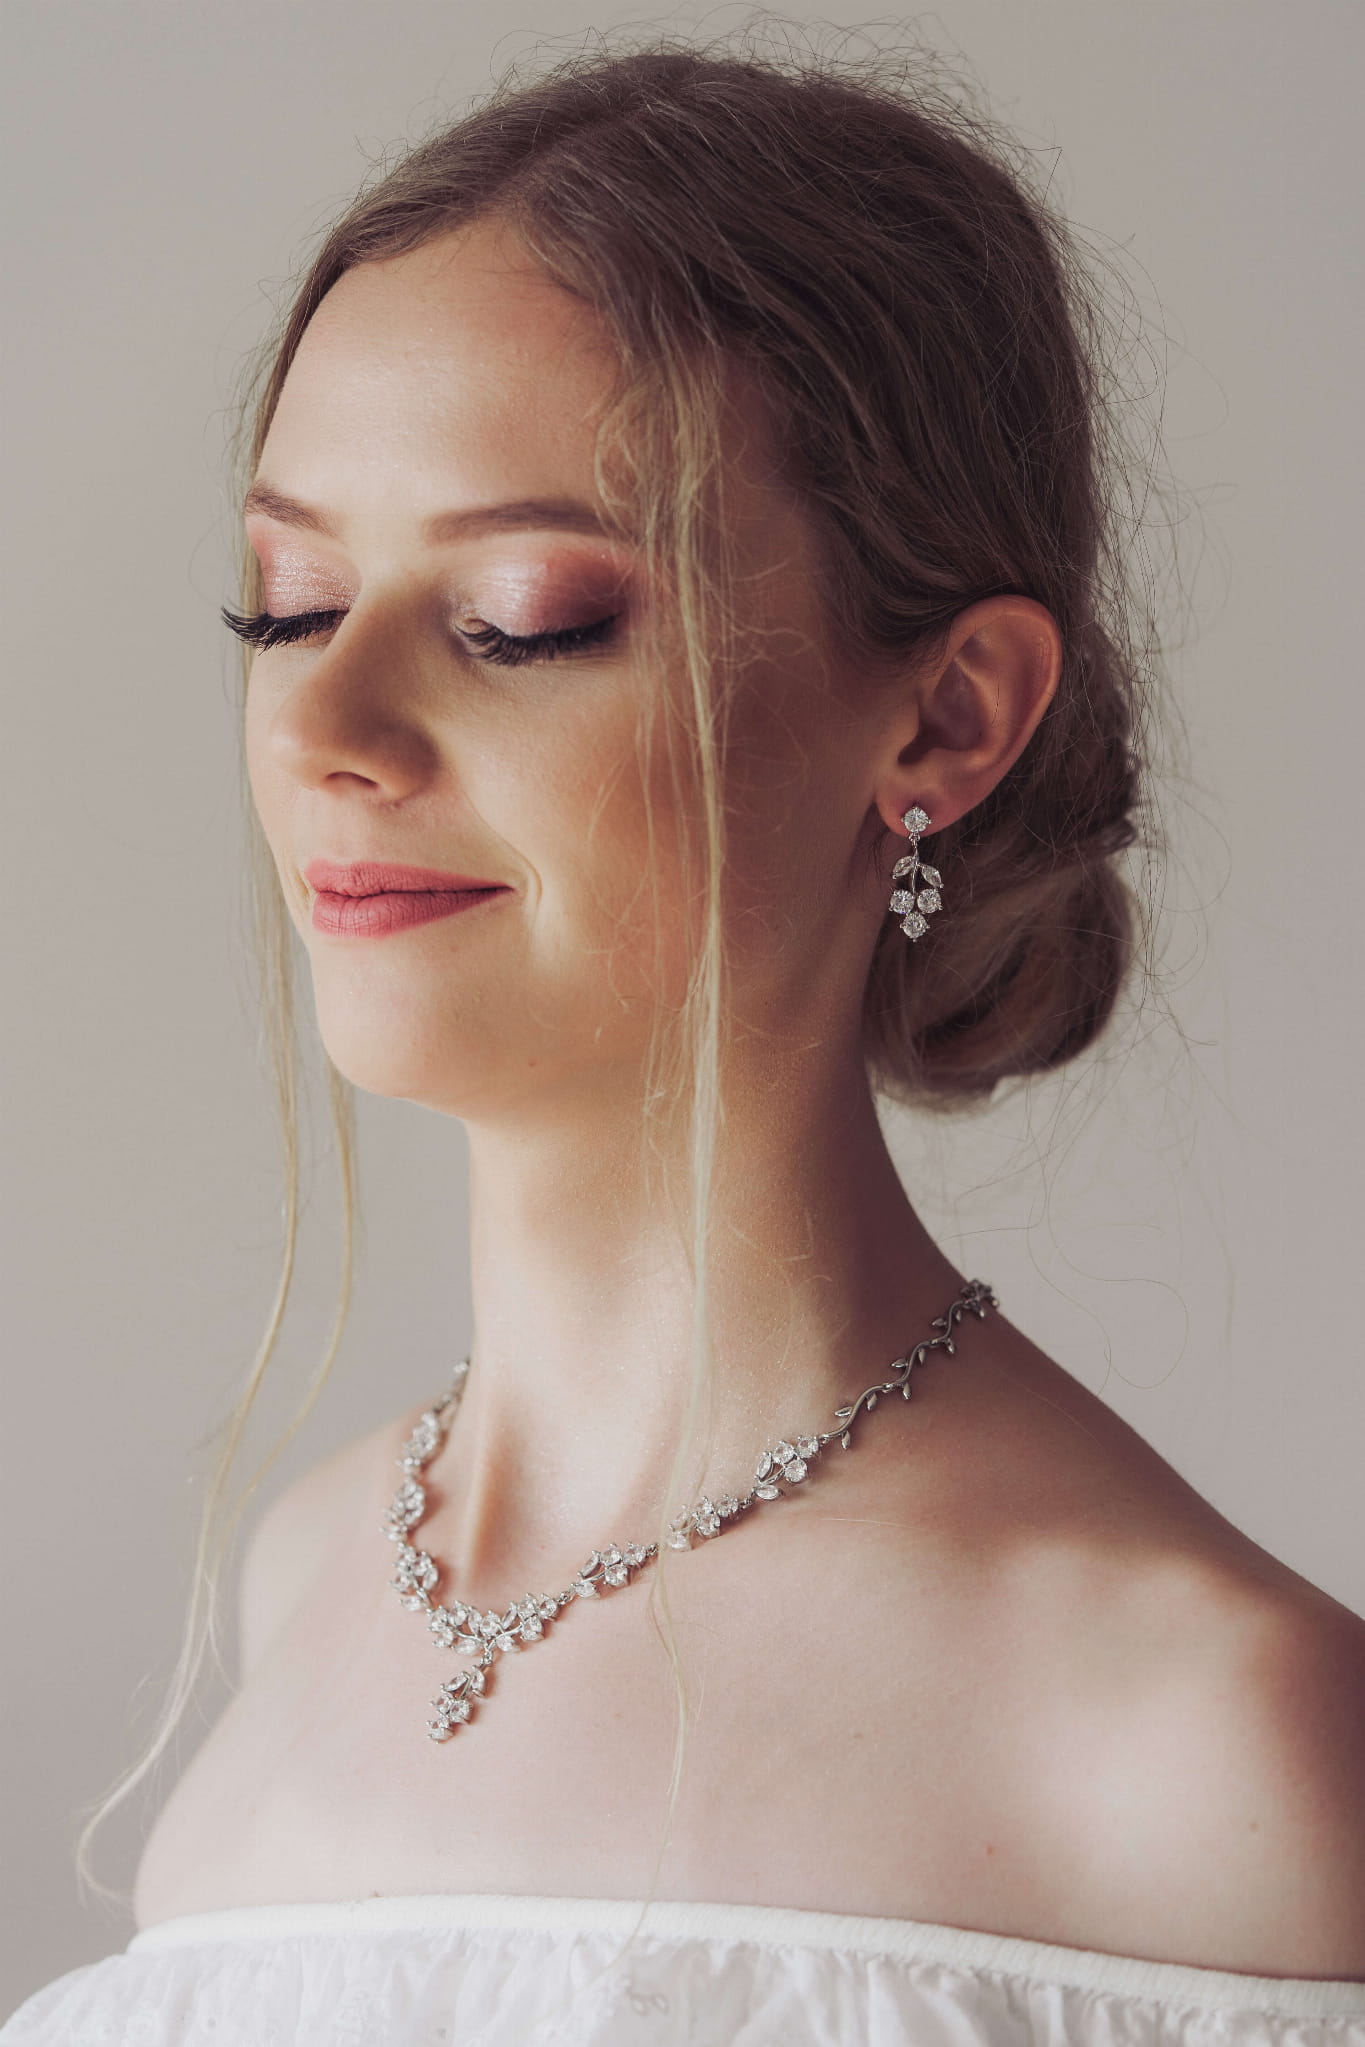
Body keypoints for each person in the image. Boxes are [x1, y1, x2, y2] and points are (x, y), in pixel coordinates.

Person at [7, 37, 1363, 2047]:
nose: (328, 731)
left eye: (521, 618)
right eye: (287, 607)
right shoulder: (306, 1577)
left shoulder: (1214, 1741)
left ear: (947, 715)